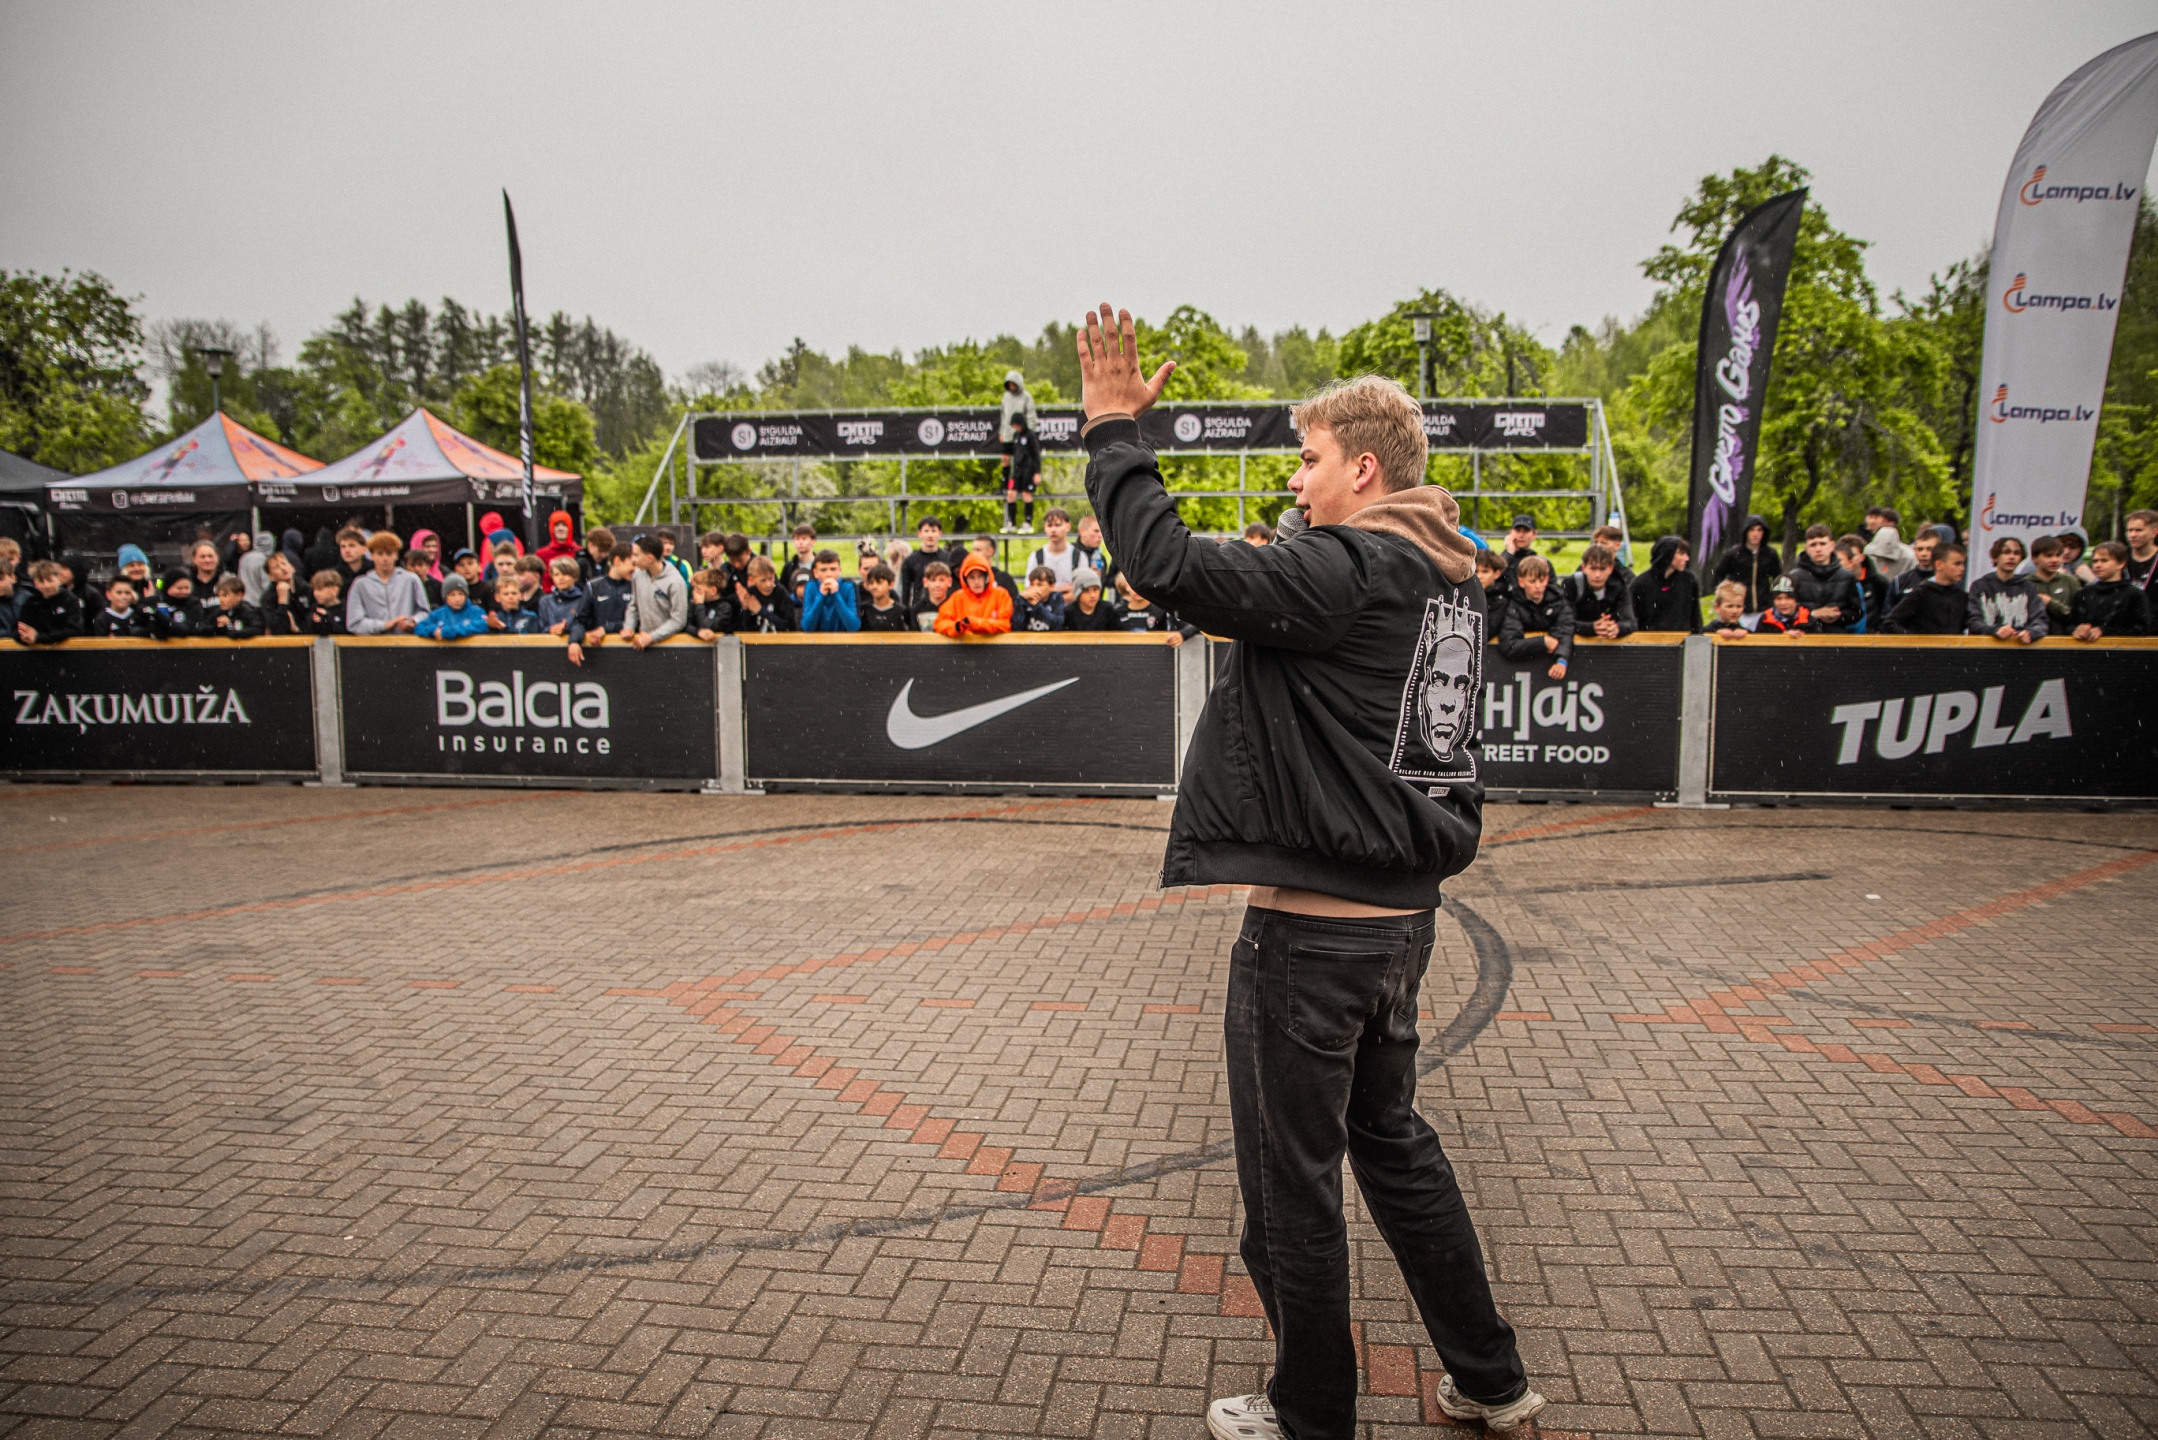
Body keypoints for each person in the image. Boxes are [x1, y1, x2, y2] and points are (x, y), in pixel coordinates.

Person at [1074, 315, 1540, 1440]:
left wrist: (1112, 433)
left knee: (1290, 1194)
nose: (1296, 480)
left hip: (1312, 944)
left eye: (1310, 458)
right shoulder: (1446, 577)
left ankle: (1311, 1414)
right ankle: (1491, 1381)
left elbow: (1168, 566)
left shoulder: (1352, 568)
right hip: (1395, 927)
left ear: (1363, 470)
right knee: (1394, 1146)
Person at [1497, 554, 1573, 678]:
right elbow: (1509, 644)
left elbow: (1565, 631)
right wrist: (1542, 642)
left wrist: (1561, 660)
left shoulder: (1559, 601)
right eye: (1532, 581)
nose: (1537, 586)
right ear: (1521, 582)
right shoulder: (1512, 604)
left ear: (1547, 580)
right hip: (1518, 669)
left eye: (1541, 581)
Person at [1966, 537, 2047, 644]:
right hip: (1986, 648)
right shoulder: (1980, 586)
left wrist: (2031, 633)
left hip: (2020, 648)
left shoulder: (2029, 587)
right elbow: (1972, 620)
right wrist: (1995, 631)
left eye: (2016, 553)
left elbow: (2041, 621)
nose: (2012, 557)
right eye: (2006, 552)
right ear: (1995, 557)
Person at [345, 532, 428, 634]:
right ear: (371, 555)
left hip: (407, 640)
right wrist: (384, 625)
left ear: (396, 555)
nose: (385, 559)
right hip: (374, 642)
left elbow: (425, 612)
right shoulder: (360, 584)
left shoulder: (411, 579)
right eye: (380, 554)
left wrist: (413, 621)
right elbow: (354, 623)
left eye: (389, 553)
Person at [2068, 541, 2152, 639]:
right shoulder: (2083, 594)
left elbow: (2141, 630)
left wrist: (2105, 631)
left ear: (2121, 563)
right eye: (2095, 561)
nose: (2098, 565)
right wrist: (2077, 630)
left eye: (2104, 560)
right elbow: (2069, 626)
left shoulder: (2135, 595)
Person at [567, 549, 637, 665]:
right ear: (617, 561)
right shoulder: (594, 586)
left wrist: (606, 628)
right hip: (598, 654)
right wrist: (574, 641)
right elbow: (580, 620)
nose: (635, 569)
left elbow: (638, 621)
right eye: (633, 564)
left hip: (631, 652)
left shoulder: (636, 586)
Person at [1883, 542, 1968, 634]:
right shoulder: (1921, 593)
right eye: (1957, 564)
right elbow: (1891, 622)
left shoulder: (1961, 596)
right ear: (1939, 565)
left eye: (1963, 564)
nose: (1962, 568)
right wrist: (1915, 639)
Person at [1787, 524, 1857, 631]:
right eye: (1813, 545)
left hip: (1836, 636)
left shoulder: (1847, 577)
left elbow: (1857, 613)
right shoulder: (1794, 577)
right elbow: (1784, 612)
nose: (1818, 549)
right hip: (1803, 635)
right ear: (1806, 548)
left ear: (1832, 546)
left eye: (1823, 544)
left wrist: (1838, 616)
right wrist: (1812, 615)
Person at [1708, 514, 1780, 616]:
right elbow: (1717, 577)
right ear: (1746, 532)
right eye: (1752, 530)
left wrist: (1772, 599)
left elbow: (1777, 578)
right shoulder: (1734, 554)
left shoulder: (1770, 554)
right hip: (1739, 610)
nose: (1756, 534)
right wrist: (1726, 598)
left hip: (1764, 609)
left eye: (1759, 530)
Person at [1561, 543, 1636, 639]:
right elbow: (1563, 622)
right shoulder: (1571, 585)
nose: (1597, 575)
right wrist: (1592, 628)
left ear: (1610, 569)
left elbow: (1631, 622)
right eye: (1593, 569)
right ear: (1584, 568)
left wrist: (1617, 628)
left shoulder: (1619, 586)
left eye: (1602, 569)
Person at [1629, 536, 1700, 633]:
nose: (1687, 558)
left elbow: (1696, 617)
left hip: (1682, 638)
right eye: (1681, 554)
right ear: (1667, 555)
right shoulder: (1640, 584)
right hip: (1649, 639)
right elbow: (1632, 618)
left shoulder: (1689, 580)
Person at [999, 368, 1040, 531]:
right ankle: (1005, 483)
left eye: (1013, 384)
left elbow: (1031, 414)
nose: (1012, 387)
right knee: (1005, 459)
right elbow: (1003, 416)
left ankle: (1027, 522)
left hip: (1024, 436)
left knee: (1025, 492)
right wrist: (1003, 431)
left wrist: (1028, 431)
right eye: (1009, 384)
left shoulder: (1026, 397)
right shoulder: (1005, 397)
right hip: (1010, 434)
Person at [935, 551, 1012, 638]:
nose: (976, 582)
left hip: (994, 646)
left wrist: (976, 624)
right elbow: (940, 622)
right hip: (965, 645)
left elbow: (1005, 625)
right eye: (972, 577)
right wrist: (956, 627)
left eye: (980, 576)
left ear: (986, 577)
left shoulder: (1001, 595)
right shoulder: (957, 597)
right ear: (965, 579)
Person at [1834, 535, 1890, 634]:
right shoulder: (1833, 583)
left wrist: (1880, 630)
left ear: (1862, 557)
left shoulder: (1878, 582)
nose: (1848, 560)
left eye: (1852, 555)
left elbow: (1887, 610)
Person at [799, 548, 861, 633]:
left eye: (833, 569)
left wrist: (836, 594)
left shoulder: (848, 587)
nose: (829, 574)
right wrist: (821, 596)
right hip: (818, 639)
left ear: (840, 570)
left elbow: (853, 627)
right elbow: (807, 627)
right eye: (823, 570)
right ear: (815, 573)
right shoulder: (811, 586)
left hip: (842, 639)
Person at [900, 516, 957, 608]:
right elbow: (905, 592)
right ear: (919, 533)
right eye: (926, 531)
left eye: (933, 531)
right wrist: (906, 612)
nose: (930, 535)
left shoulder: (948, 559)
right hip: (919, 609)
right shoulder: (910, 561)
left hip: (945, 608)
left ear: (940, 533)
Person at [1025, 508, 1082, 598]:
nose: (1053, 530)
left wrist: (1046, 590)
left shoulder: (1079, 556)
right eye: (1049, 525)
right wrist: (1062, 589)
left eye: (1057, 525)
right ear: (1045, 528)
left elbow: (1082, 592)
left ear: (1068, 527)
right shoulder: (1036, 557)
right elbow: (1030, 590)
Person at [415, 573, 492, 640]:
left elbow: (482, 625)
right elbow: (419, 627)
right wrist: (434, 630)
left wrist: (449, 632)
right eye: (452, 595)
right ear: (445, 597)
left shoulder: (477, 612)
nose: (457, 599)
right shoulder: (437, 614)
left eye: (461, 594)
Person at [733, 555, 797, 633]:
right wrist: (745, 609)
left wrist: (761, 611)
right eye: (763, 580)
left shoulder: (781, 593)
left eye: (771, 578)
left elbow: (788, 625)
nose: (768, 584)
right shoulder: (750, 594)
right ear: (752, 580)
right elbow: (746, 629)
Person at [2028, 535, 2081, 629]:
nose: (2054, 560)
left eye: (2058, 555)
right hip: (2033, 637)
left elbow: (2079, 616)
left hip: (2064, 637)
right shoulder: (2025, 583)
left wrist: (2050, 604)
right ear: (2034, 558)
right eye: (2048, 556)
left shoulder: (2070, 581)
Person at [1004, 410, 1043, 534]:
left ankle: (1028, 523)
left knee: (1026, 493)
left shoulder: (1030, 435)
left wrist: (1037, 472)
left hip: (1028, 470)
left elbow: (1036, 454)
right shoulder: (1016, 436)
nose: (1016, 427)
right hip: (1016, 471)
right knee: (1010, 494)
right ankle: (1011, 523)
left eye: (1017, 424)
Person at [1889, 525, 1951, 603]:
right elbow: (1889, 609)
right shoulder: (1900, 581)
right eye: (1920, 549)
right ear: (1914, 551)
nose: (1924, 554)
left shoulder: (1950, 581)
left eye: (1929, 549)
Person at [535, 559, 587, 637]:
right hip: (550, 642)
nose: (561, 578)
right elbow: (541, 627)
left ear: (575, 576)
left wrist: (567, 628)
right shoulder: (545, 601)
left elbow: (586, 625)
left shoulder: (583, 599)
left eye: (565, 574)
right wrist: (550, 629)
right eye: (556, 575)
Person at [206, 574, 265, 639]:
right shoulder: (218, 612)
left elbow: (257, 629)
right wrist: (217, 627)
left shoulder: (247, 611)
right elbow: (203, 628)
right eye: (219, 596)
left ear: (239, 596)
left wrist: (230, 626)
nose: (220, 600)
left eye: (225, 595)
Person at [969, 534, 1022, 606]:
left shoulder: (1004, 579)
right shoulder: (967, 577)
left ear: (990, 551)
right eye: (973, 550)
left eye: (978, 550)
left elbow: (1015, 603)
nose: (974, 554)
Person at [1495, 512, 1538, 598]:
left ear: (1534, 534)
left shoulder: (1539, 562)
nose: (1521, 535)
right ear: (1511, 533)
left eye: (1526, 531)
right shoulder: (1502, 559)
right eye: (1518, 530)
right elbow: (1493, 579)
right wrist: (1509, 553)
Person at [857, 562, 910, 632]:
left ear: (891, 584)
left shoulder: (901, 612)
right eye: (871, 583)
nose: (874, 587)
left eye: (879, 583)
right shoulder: (863, 610)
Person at [1073, 512, 1117, 590]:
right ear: (1082, 531)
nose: (1100, 535)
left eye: (1101, 531)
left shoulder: (1100, 558)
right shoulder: (1071, 552)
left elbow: (1105, 583)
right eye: (1096, 531)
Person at [1015, 565, 1066, 631]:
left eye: (1039, 585)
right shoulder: (1024, 600)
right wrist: (1020, 600)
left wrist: (1037, 606)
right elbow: (1017, 626)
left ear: (1051, 586)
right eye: (1032, 584)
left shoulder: (1056, 598)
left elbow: (1058, 624)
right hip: (1028, 637)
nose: (1035, 588)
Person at [688, 569, 734, 640]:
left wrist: (699, 605)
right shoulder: (693, 604)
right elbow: (685, 625)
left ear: (713, 590)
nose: (694, 593)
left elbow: (706, 627)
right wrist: (697, 632)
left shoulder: (725, 608)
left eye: (698, 589)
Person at [909, 560, 954, 632]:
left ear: (949, 582)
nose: (937, 585)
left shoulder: (955, 607)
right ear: (925, 582)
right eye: (933, 580)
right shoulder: (917, 610)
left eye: (941, 580)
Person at [1472, 550, 1509, 635]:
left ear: (1497, 574)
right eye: (1476, 571)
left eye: (1485, 571)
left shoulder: (1501, 601)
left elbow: (1487, 631)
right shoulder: (1464, 594)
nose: (1479, 576)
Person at [237, 530, 276, 604]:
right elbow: (266, 585)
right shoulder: (265, 560)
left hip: (245, 601)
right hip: (260, 602)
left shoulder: (244, 557)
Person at [300, 571, 345, 636]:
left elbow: (343, 631)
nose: (316, 593)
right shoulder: (315, 609)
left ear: (334, 590)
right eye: (314, 589)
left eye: (320, 589)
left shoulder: (345, 608)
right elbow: (307, 631)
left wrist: (327, 618)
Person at [2126, 509, 2158, 591]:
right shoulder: (2119, 557)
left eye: (2138, 530)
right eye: (2130, 530)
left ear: (2154, 532)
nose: (2133, 535)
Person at [331, 527, 370, 594]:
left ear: (364, 549)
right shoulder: (334, 575)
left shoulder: (374, 570)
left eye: (351, 546)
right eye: (343, 546)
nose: (347, 550)